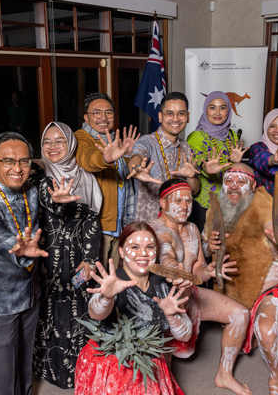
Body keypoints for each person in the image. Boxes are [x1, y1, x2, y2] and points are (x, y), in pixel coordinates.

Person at [0, 132, 66, 395]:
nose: (17, 168)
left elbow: (51, 207)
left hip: (27, 291)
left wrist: (58, 205)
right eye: (8, 161)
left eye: (24, 161)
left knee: (24, 365)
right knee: (3, 372)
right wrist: (16, 245)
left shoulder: (31, 191)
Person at [201, 163, 278, 395]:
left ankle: (275, 379)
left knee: (267, 333)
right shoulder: (215, 208)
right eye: (229, 180)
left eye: (241, 181)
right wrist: (208, 248)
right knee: (240, 343)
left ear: (252, 185)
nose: (234, 187)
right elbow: (204, 249)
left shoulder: (263, 202)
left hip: (274, 286)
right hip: (237, 291)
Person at [148, 178, 254, 395]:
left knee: (240, 314)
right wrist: (173, 270)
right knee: (162, 372)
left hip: (190, 291)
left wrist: (210, 271)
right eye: (178, 201)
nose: (185, 206)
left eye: (188, 201)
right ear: (163, 203)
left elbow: (197, 267)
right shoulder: (154, 230)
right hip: (164, 301)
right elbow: (166, 256)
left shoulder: (192, 229)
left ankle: (225, 374)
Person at [74, 222, 192, 395]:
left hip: (148, 363)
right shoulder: (114, 282)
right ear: (121, 251)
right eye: (135, 247)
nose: (143, 253)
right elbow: (95, 312)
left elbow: (185, 334)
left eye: (149, 247)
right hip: (111, 365)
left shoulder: (163, 284)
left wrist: (172, 315)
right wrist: (106, 297)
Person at [32, 121, 102, 389]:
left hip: (76, 260)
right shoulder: (36, 173)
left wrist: (89, 258)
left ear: (71, 144)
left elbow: (92, 222)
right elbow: (43, 200)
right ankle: (49, 368)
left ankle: (77, 370)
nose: (52, 147)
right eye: (47, 141)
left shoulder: (86, 179)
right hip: (44, 259)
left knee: (76, 307)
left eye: (59, 141)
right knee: (47, 309)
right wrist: (55, 200)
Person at [75, 92, 139, 269]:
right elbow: (87, 159)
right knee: (87, 279)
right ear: (87, 118)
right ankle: (72, 297)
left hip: (118, 226)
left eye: (109, 112)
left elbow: (121, 176)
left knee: (113, 281)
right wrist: (105, 158)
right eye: (97, 112)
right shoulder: (81, 138)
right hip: (95, 228)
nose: (103, 117)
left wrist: (127, 155)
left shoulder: (113, 141)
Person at [127, 92, 200, 223]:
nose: (176, 119)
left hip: (178, 226)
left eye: (181, 113)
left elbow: (194, 190)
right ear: (160, 116)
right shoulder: (147, 142)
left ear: (188, 117)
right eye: (170, 113)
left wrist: (191, 176)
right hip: (148, 226)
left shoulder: (186, 148)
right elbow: (137, 156)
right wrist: (136, 168)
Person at [186, 91, 247, 231]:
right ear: (205, 109)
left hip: (230, 202)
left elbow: (235, 169)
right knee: (205, 247)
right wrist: (205, 167)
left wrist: (237, 163)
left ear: (228, 111)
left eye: (223, 107)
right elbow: (196, 159)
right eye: (212, 107)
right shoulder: (195, 137)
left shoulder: (232, 135)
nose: (217, 112)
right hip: (204, 205)